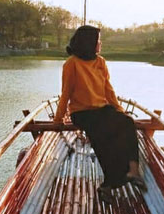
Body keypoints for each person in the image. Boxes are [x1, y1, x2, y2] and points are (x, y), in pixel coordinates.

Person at [53, 25, 146, 204]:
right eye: (97, 40)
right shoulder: (71, 63)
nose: (100, 44)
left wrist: (120, 110)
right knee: (102, 134)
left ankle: (133, 171)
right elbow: (65, 93)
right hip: (82, 112)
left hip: (102, 109)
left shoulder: (100, 62)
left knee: (127, 123)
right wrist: (58, 119)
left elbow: (108, 90)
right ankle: (110, 184)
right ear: (89, 42)